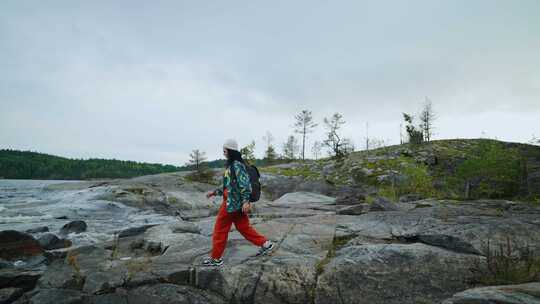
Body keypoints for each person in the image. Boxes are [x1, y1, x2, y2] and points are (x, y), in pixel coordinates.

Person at [203, 139, 275, 266]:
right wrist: (214, 193)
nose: (223, 153)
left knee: (220, 230)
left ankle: (216, 258)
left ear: (230, 151)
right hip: (236, 204)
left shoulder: (236, 165)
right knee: (243, 227)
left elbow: (244, 185)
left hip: (231, 204)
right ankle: (266, 244)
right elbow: (229, 186)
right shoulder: (233, 165)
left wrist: (246, 202)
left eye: (225, 150)